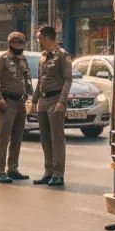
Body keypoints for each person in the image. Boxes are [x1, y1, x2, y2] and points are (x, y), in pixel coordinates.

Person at [0, 31, 33, 184]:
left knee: (17, 138)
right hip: (7, 102)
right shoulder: (2, 59)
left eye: (21, 44)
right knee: (3, 138)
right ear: (10, 44)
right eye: (16, 44)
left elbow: (27, 77)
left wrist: (29, 95)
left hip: (20, 102)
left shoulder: (23, 59)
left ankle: (13, 168)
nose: (19, 47)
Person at [33, 25, 72, 187]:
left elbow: (68, 79)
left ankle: (58, 174)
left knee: (57, 139)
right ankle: (48, 172)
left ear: (48, 38)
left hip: (55, 100)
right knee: (45, 139)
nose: (38, 42)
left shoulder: (62, 55)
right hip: (43, 101)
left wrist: (62, 102)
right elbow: (40, 80)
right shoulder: (43, 57)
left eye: (39, 38)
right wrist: (34, 100)